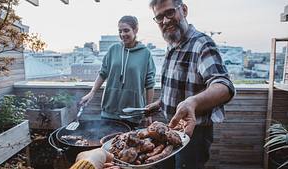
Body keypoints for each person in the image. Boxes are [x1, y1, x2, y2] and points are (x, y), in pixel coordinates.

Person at [146, 0, 236, 169]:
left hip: (194, 134)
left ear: (184, 10)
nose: (165, 20)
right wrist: (160, 103)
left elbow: (224, 86)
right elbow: (179, 87)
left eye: (170, 13)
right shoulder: (172, 44)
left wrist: (192, 102)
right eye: (159, 17)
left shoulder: (202, 44)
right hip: (171, 129)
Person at [80, 15, 156, 128]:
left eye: (126, 30)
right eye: (120, 31)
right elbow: (102, 73)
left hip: (132, 113)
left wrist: (148, 112)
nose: (122, 34)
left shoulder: (145, 53)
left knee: (128, 143)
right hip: (109, 110)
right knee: (105, 142)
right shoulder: (113, 49)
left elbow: (150, 84)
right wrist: (92, 92)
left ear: (135, 30)